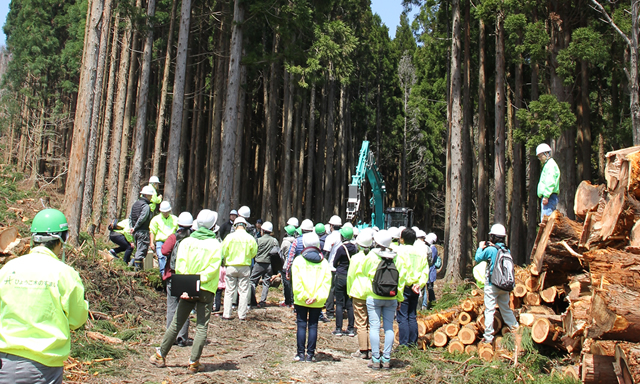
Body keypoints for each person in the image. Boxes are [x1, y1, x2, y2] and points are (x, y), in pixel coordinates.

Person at [0, 209, 88, 384]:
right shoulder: (65, 274)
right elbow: (77, 319)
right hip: (43, 366)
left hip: (5, 364)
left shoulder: (8, 269)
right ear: (62, 240)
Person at [150, 209, 223, 373]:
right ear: (213, 226)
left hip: (188, 287)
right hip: (206, 290)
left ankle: (160, 355)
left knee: (176, 322)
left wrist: (187, 284)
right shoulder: (216, 245)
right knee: (202, 326)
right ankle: (193, 362)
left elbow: (180, 266)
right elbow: (213, 269)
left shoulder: (186, 242)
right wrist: (200, 280)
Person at [362, 230, 406, 370]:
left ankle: (375, 358)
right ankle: (386, 358)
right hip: (391, 297)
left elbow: (364, 271)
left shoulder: (372, 256)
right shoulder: (397, 257)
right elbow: (401, 279)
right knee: (389, 328)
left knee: (374, 327)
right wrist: (399, 298)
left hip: (374, 296)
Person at [474, 224, 519, 344]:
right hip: (504, 286)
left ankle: (488, 337)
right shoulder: (506, 250)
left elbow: (478, 258)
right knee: (506, 309)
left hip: (492, 284)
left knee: (489, 310)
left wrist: (480, 247)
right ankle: (517, 330)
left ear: (493, 237)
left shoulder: (491, 250)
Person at [291, 233, 332, 362]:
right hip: (317, 301)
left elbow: (296, 282)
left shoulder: (298, 260)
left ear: (303, 244)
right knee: (313, 325)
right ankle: (310, 355)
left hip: (301, 300)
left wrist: (303, 296)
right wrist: (317, 297)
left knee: (301, 325)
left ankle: (300, 354)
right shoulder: (324, 262)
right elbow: (327, 283)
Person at [160, 211, 194, 347]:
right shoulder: (194, 238)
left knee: (172, 306)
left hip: (172, 274)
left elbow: (163, 251)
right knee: (185, 307)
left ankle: (171, 336)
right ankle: (182, 337)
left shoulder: (174, 237)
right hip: (188, 276)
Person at [396, 228, 428, 347]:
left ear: (402, 239)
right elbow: (425, 270)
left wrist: (398, 290)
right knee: (412, 315)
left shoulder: (400, 251)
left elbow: (400, 271)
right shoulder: (420, 252)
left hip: (404, 286)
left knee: (403, 316)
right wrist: (420, 284)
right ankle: (413, 342)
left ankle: (404, 344)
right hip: (416, 287)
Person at [221, 217, 258, 320]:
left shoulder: (229, 237)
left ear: (235, 226)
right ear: (245, 226)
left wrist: (227, 260)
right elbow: (254, 252)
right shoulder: (250, 238)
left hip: (231, 266)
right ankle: (242, 315)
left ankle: (227, 314)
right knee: (244, 291)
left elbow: (223, 251)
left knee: (229, 291)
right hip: (245, 266)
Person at [347, 228, 374, 359]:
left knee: (361, 322)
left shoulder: (355, 258)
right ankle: (372, 349)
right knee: (370, 323)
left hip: (358, 292)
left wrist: (349, 291)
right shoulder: (374, 257)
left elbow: (350, 276)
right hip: (372, 293)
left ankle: (363, 350)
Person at [331, 225, 357, 337]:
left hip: (341, 275)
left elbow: (334, 262)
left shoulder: (341, 248)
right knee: (350, 304)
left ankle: (338, 328)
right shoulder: (355, 248)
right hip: (351, 276)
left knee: (340, 304)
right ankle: (351, 328)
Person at [251, 221, 279, 308]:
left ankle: (252, 301)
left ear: (262, 230)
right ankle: (262, 301)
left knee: (252, 281)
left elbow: (253, 251)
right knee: (266, 282)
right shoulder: (274, 241)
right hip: (269, 264)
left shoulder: (258, 240)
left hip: (258, 263)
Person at [129, 185, 155, 270]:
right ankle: (138, 271)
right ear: (146, 195)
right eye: (150, 196)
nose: (151, 198)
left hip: (136, 232)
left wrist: (132, 228)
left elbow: (130, 217)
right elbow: (142, 218)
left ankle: (131, 266)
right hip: (142, 232)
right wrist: (135, 227)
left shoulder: (135, 204)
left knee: (138, 251)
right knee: (141, 251)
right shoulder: (146, 206)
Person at [323, 215, 343, 320]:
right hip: (341, 267)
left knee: (330, 290)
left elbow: (326, 253)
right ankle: (341, 310)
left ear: (331, 226)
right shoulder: (342, 236)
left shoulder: (330, 237)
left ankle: (330, 312)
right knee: (339, 290)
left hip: (331, 266)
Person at [150, 201, 178, 275]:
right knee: (161, 256)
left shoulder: (174, 219)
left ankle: (170, 273)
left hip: (171, 241)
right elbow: (152, 231)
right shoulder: (156, 219)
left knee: (171, 258)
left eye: (167, 212)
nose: (165, 213)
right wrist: (151, 242)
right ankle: (163, 273)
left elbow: (178, 231)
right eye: (163, 212)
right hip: (160, 241)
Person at [536, 143, 560, 222]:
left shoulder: (550, 165)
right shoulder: (548, 165)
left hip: (549, 197)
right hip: (549, 196)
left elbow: (550, 182)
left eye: (540, 156)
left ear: (546, 154)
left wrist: (546, 195)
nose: (540, 158)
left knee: (546, 221)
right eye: (538, 157)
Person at [279, 225, 297, 308]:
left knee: (286, 285)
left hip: (286, 265)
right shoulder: (296, 241)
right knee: (294, 284)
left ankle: (287, 301)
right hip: (294, 265)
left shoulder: (285, 242)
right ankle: (293, 301)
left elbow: (280, 253)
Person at [422, 232, 440, 309]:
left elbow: (431, 260)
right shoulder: (431, 247)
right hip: (429, 270)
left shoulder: (432, 248)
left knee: (429, 288)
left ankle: (431, 302)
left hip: (430, 270)